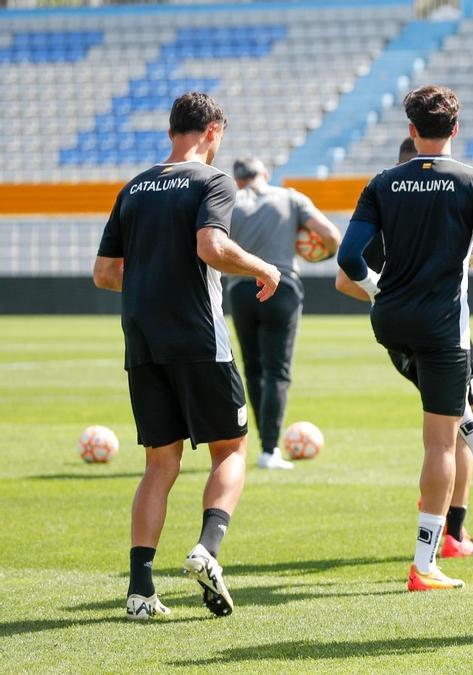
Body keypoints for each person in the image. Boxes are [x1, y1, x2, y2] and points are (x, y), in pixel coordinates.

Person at [93, 92, 281, 619]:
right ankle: (207, 549)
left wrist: (152, 279)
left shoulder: (134, 187)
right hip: (199, 339)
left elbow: (105, 274)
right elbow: (210, 247)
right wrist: (264, 268)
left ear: (172, 130)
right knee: (231, 449)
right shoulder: (212, 181)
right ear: (213, 132)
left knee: (159, 465)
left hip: (144, 342)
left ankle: (139, 591)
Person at [336, 85, 473, 590]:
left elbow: (349, 259)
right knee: (439, 443)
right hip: (441, 326)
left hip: (389, 320)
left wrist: (379, 289)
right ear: (455, 129)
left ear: (410, 130)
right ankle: (424, 565)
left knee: (456, 413)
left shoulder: (382, 182)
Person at [227, 157, 342, 470]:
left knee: (253, 368)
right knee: (277, 369)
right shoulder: (290, 197)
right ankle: (269, 450)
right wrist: (319, 255)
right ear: (264, 174)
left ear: (238, 180)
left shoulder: (231, 201)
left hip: (240, 289)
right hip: (283, 286)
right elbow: (331, 235)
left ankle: (263, 442)